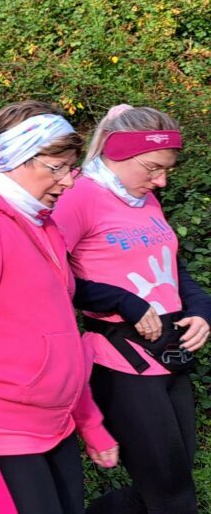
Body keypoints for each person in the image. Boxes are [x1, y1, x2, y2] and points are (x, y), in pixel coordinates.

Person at [0, 101, 119, 514]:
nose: (68, 181)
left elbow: (64, 334)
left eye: (72, 167)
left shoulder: (42, 222)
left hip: (55, 425)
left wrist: (91, 425)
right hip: (1, 432)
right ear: (17, 159)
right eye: (57, 167)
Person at [52, 105, 211, 514]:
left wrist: (201, 308)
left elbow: (170, 268)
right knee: (172, 498)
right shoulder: (78, 197)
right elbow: (45, 278)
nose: (160, 181)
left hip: (171, 357)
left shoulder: (145, 198)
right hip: (120, 363)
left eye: (167, 170)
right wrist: (119, 300)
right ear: (117, 153)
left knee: (163, 489)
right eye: (152, 168)